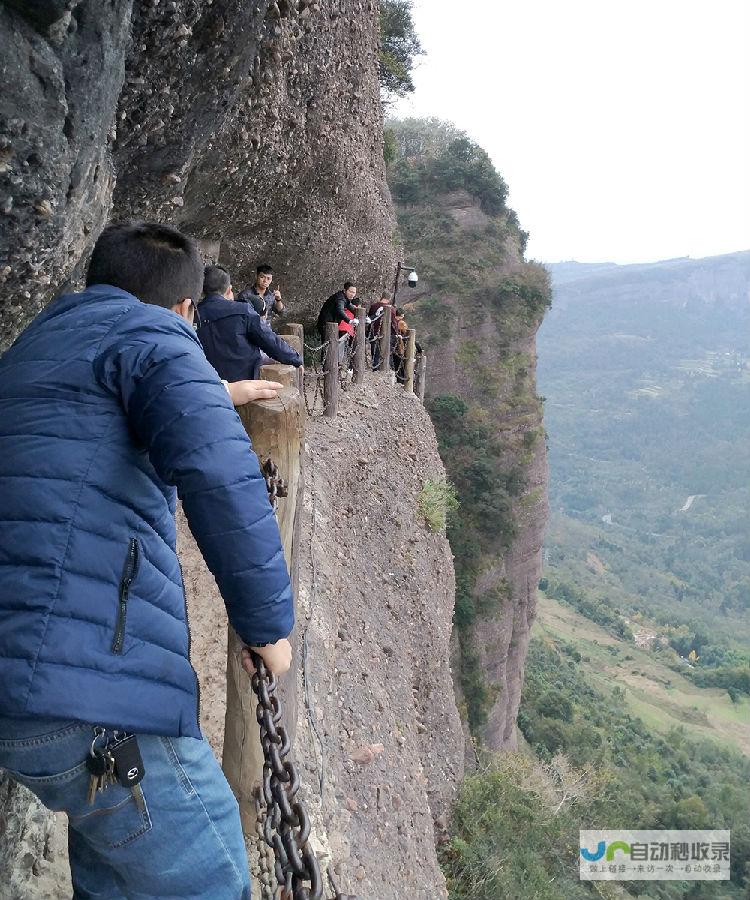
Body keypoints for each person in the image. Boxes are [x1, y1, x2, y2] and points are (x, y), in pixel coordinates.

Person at [0, 222, 294, 900]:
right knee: (209, 878)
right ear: (187, 308)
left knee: (118, 875)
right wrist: (267, 626)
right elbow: (219, 469)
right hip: (89, 692)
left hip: (29, 679)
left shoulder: (36, 346)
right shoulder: (159, 339)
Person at [198, 264, 302, 380]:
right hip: (243, 381)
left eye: (268, 278)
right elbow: (269, 340)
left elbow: (282, 312)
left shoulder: (192, 314)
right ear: (229, 289)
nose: (265, 281)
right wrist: (296, 359)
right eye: (263, 277)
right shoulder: (243, 308)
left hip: (206, 380)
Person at [367, 291, 393, 369]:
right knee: (382, 350)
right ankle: (380, 366)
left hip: (372, 330)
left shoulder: (373, 306)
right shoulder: (391, 309)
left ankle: (375, 365)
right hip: (384, 332)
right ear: (389, 298)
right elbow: (393, 323)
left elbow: (370, 317)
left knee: (374, 349)